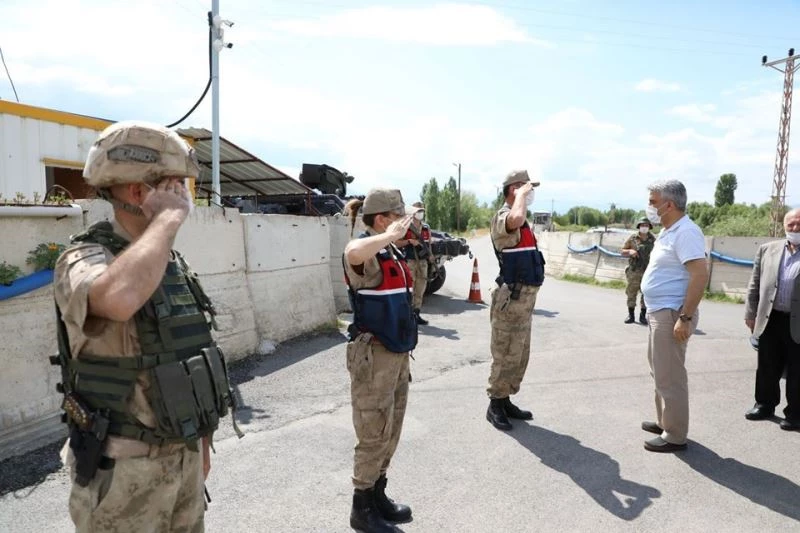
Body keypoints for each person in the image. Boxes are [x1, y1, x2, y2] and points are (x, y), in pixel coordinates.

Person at [51, 121, 241, 532]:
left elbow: (185, 354)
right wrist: (168, 220)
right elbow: (118, 299)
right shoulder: (83, 256)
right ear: (139, 192)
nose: (186, 198)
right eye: (176, 186)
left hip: (183, 460)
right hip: (124, 473)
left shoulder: (168, 263)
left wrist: (200, 442)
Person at [342, 189, 417, 532]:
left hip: (397, 355)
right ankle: (362, 508)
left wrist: (396, 235)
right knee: (373, 431)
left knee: (392, 429)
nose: (403, 222)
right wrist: (390, 235)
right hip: (374, 357)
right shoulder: (366, 247)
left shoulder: (390, 249)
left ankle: (378, 494)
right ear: (383, 218)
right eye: (397, 216)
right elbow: (352, 252)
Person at [639, 180, 708, 453]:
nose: (650, 207)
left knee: (671, 376)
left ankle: (675, 434)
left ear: (669, 204)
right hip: (659, 311)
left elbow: (700, 275)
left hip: (672, 313)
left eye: (654, 202)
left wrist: (686, 317)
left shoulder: (686, 232)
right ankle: (664, 421)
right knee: (659, 371)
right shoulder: (669, 231)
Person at [485, 170, 545, 431]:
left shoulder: (523, 220)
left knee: (518, 354)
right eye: (526, 189)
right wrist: (520, 195)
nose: (531, 193)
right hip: (511, 298)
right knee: (505, 353)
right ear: (514, 189)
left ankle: (505, 399)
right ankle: (494, 405)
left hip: (525, 300)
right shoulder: (505, 217)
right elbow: (516, 217)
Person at [743, 208, 800, 430]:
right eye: (791, 224)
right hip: (770, 318)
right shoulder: (768, 249)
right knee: (767, 365)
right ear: (784, 225)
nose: (795, 228)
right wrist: (750, 313)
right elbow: (754, 283)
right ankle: (764, 404)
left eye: (799, 224)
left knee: (798, 369)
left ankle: (795, 413)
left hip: (797, 321)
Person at [395, 201, 432, 325]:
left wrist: (430, 256)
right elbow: (396, 243)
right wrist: (409, 241)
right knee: (409, 289)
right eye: (418, 210)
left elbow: (429, 244)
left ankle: (416, 313)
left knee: (420, 289)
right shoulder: (406, 227)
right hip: (410, 261)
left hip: (423, 263)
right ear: (412, 212)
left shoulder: (426, 227)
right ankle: (408, 315)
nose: (420, 213)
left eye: (422, 210)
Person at [620, 218, 656, 325]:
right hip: (635, 270)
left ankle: (643, 316)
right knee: (631, 292)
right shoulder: (633, 238)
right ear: (639, 226)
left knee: (646, 294)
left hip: (648, 271)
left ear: (649, 227)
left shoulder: (653, 240)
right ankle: (631, 315)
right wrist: (630, 251)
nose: (644, 227)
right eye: (642, 225)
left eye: (646, 225)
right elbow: (622, 251)